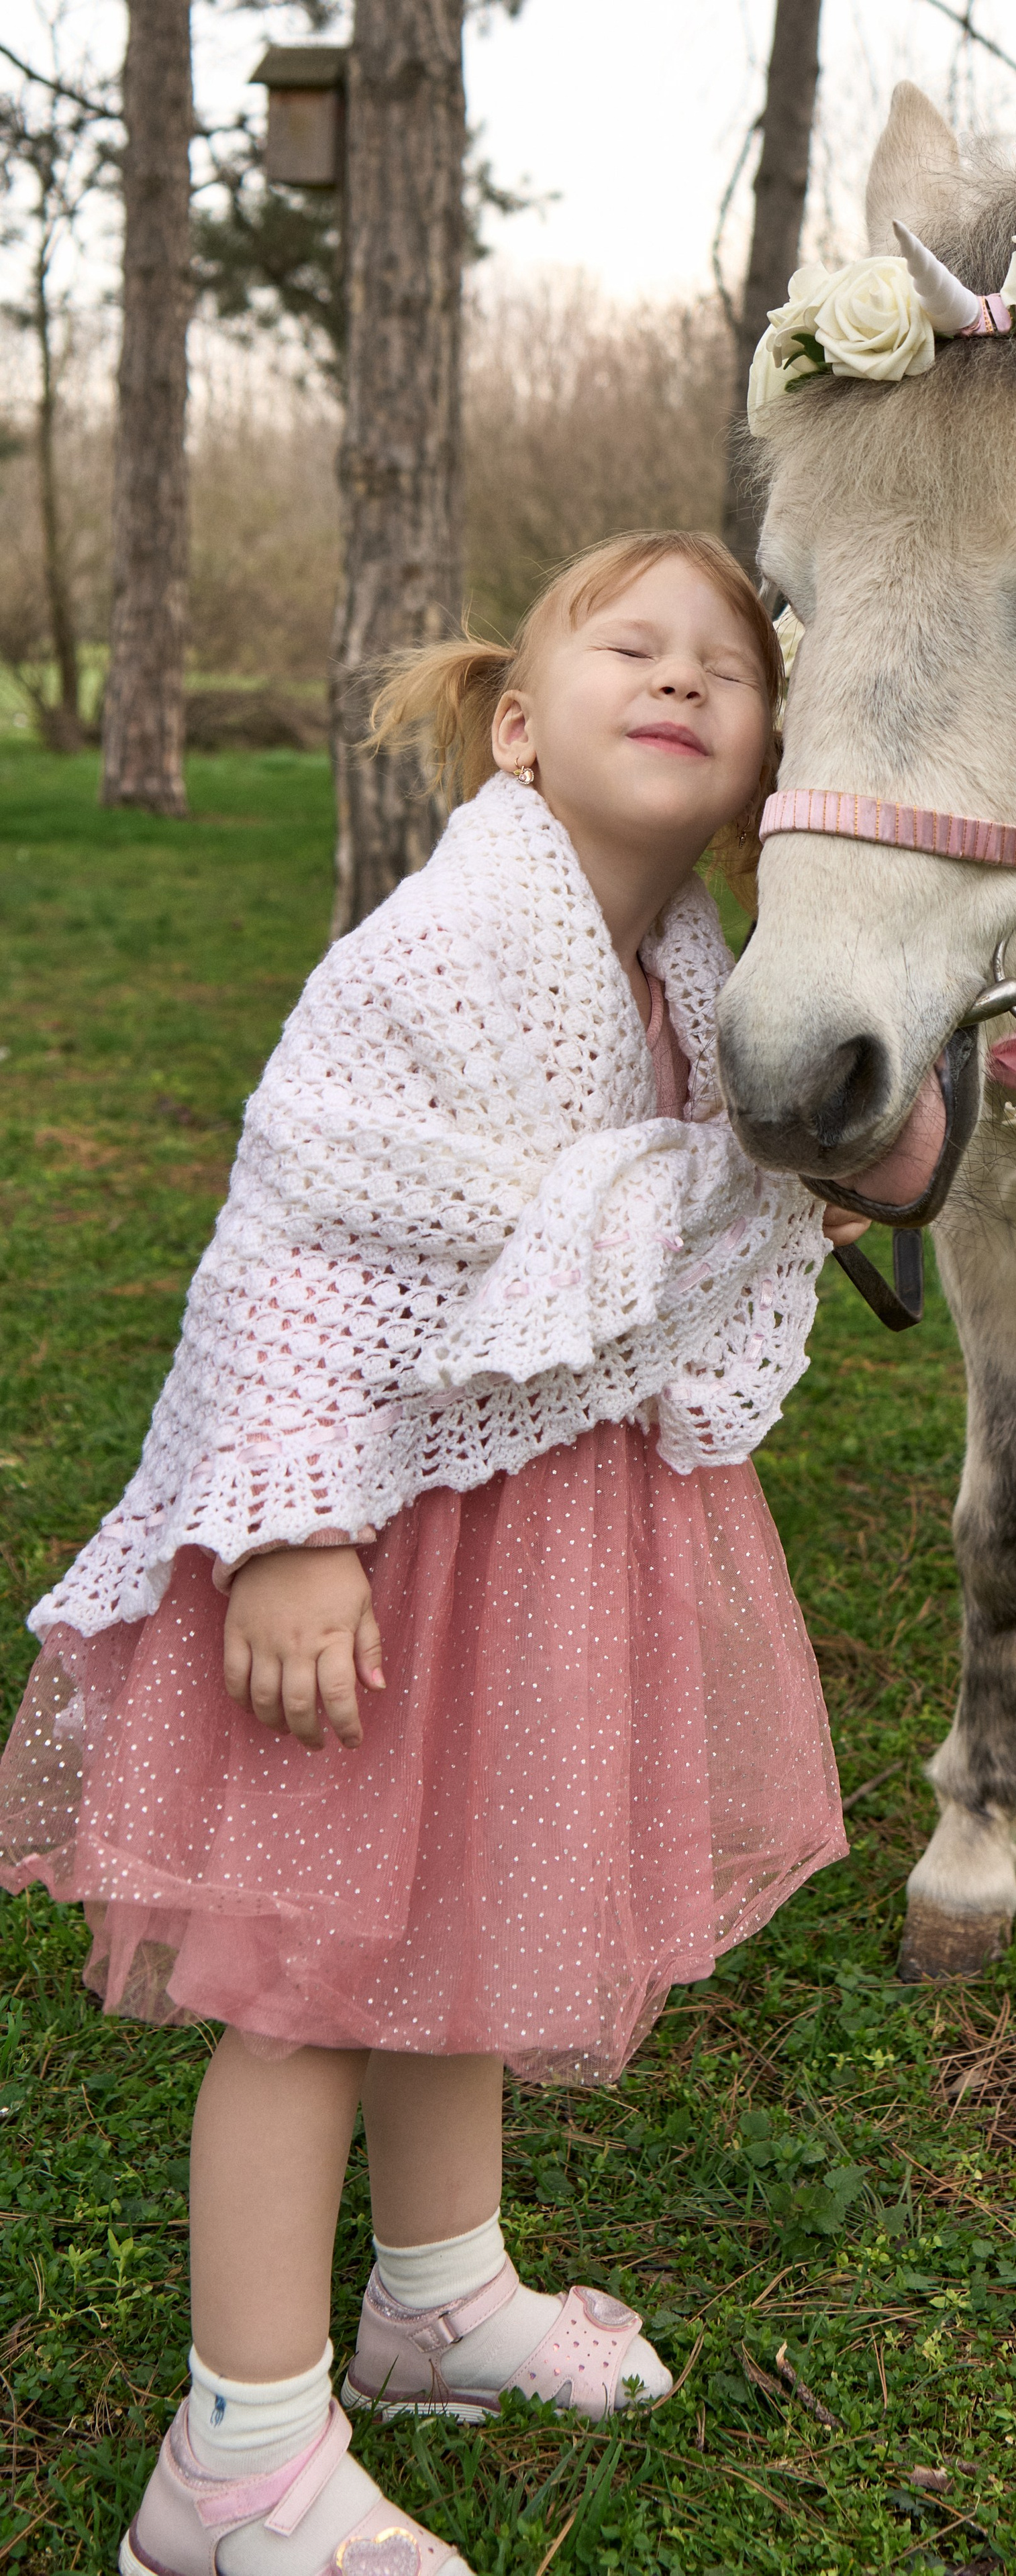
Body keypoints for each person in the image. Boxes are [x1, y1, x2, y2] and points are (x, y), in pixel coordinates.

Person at [0, 531, 870, 2576]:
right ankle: (234, 2464)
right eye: (629, 645)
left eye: (727, 665)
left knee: (462, 1901)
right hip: (378, 1533)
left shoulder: (697, 977)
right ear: (517, 730)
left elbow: (698, 1202)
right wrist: (290, 1528)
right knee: (312, 1968)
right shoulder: (445, 942)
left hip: (542, 1529)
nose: (682, 676)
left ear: (765, 762)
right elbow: (307, 1221)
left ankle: (437, 2295)